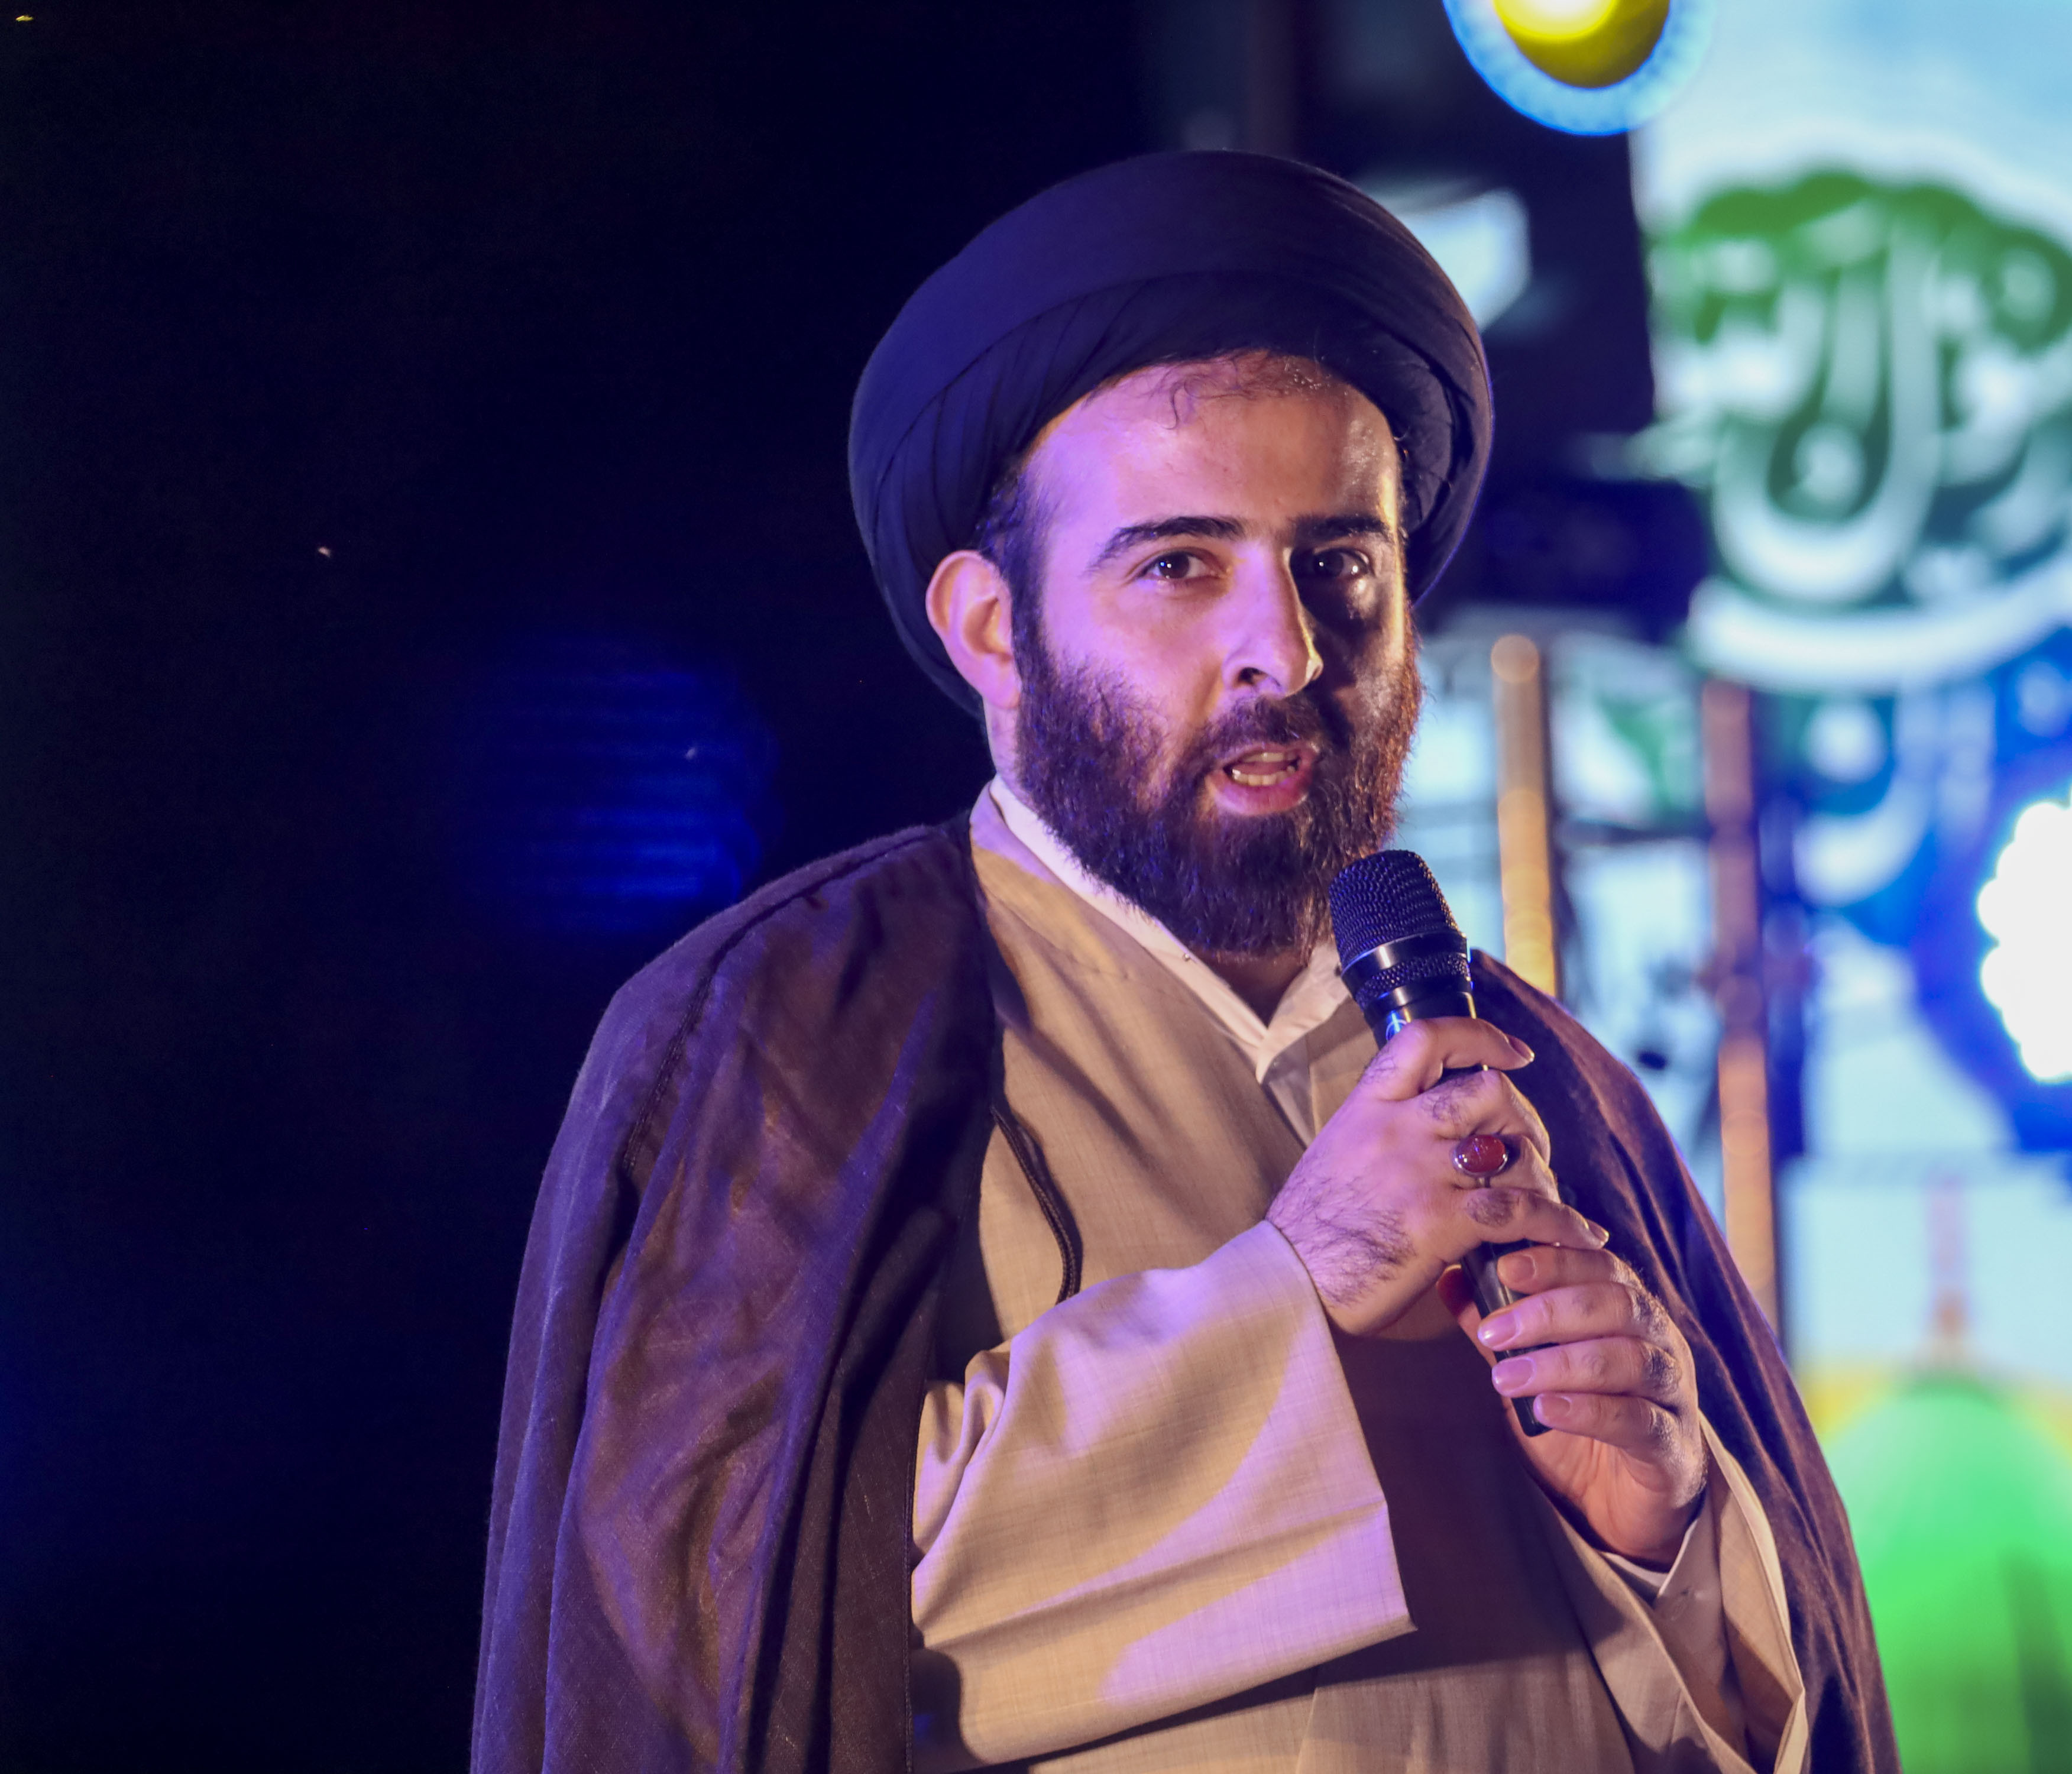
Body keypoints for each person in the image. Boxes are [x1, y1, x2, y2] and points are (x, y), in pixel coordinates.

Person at [473, 151, 1894, 1774]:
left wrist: (1667, 1543)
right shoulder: (800, 1026)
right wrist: (1302, 1283)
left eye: (1338, 565)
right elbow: (742, 1638)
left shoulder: (1543, 1074)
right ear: (994, 629)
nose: (1284, 650)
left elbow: (1771, 1708)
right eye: (1178, 566)